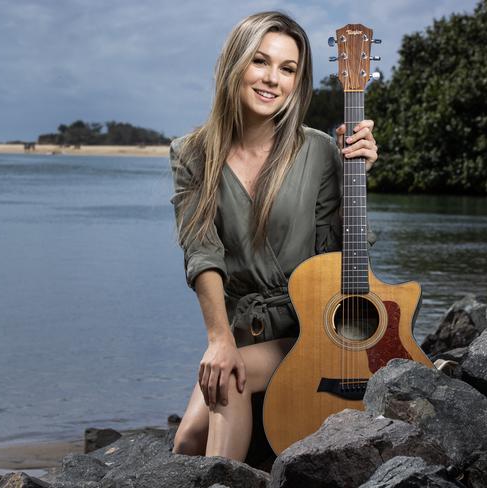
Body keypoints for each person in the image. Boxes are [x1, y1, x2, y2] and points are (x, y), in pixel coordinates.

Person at [168, 11, 378, 461]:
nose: (272, 80)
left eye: (288, 69)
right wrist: (219, 339)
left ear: (298, 82)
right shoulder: (192, 154)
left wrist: (355, 176)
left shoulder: (319, 149)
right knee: (184, 444)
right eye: (260, 62)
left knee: (230, 377)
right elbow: (201, 252)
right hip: (240, 330)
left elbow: (336, 256)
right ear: (235, 64)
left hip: (310, 330)